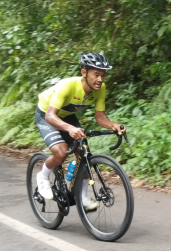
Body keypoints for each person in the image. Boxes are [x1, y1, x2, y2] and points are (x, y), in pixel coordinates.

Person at [34, 51, 126, 210]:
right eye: (96, 74)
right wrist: (69, 128)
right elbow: (50, 115)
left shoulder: (100, 88)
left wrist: (113, 126)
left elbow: (100, 117)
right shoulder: (67, 86)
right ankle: (42, 176)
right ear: (84, 72)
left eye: (103, 75)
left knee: (83, 154)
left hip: (67, 116)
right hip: (46, 114)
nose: (100, 79)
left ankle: (82, 197)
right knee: (61, 152)